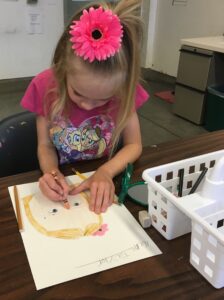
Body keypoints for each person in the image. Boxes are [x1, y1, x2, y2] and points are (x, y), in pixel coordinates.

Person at [21, 0, 149, 214]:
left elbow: (134, 145)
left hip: (103, 173)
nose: (88, 106)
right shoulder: (45, 87)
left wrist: (106, 172)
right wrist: (51, 173)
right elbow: (45, 145)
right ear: (63, 70)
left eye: (103, 99)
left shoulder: (125, 91)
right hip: (64, 177)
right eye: (78, 93)